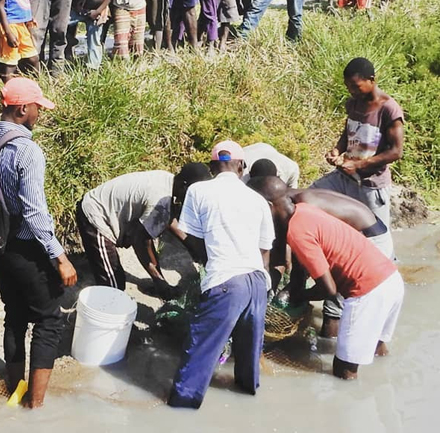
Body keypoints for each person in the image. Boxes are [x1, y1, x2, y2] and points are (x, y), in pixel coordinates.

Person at [0, 76, 77, 408]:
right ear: (22, 109)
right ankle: (34, 408)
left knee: (15, 314)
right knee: (50, 319)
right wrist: (59, 255)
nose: (40, 114)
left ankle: (14, 391)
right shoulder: (27, 150)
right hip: (23, 247)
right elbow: (35, 212)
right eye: (38, 108)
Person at [252, 181, 403, 381]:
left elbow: (329, 289)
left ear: (268, 207)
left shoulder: (297, 233)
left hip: (368, 292)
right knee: (377, 348)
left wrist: (302, 296)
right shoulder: (304, 210)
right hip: (391, 280)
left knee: (343, 370)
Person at [168, 140, 273, 409]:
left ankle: (181, 411)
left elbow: (192, 237)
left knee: (199, 354)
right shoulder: (258, 199)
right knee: (249, 357)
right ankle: (247, 405)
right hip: (257, 283)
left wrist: (208, 264)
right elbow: (264, 251)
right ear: (241, 167)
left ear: (213, 166)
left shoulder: (199, 190)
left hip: (226, 281)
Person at [77, 166, 210, 296]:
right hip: (95, 215)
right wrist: (159, 281)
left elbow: (168, 219)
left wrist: (195, 248)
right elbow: (140, 241)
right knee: (114, 288)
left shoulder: (169, 181)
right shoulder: (160, 199)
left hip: (105, 206)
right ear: (184, 185)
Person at [311, 57, 404, 230]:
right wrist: (337, 150)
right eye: (348, 87)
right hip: (344, 177)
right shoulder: (353, 103)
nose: (352, 91)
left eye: (356, 86)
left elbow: (396, 152)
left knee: (377, 235)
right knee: (309, 199)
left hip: (371, 184)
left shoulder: (388, 109)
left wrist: (359, 164)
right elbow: (349, 132)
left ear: (371, 80)